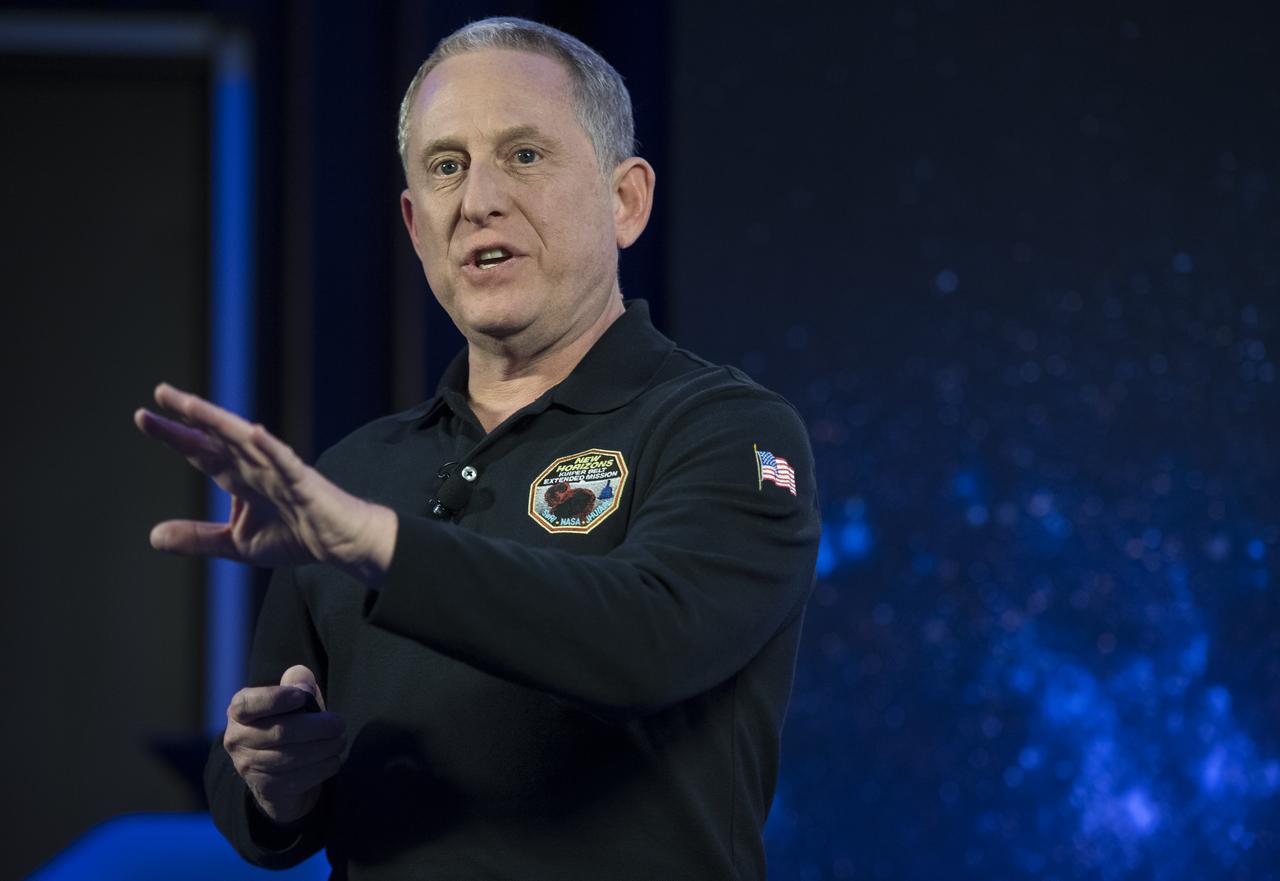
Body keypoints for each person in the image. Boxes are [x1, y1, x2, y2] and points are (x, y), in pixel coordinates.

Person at [135, 16, 820, 880]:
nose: (479, 198)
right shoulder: (353, 475)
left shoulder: (724, 429)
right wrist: (270, 780)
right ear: (418, 227)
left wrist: (381, 545)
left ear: (626, 201)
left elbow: (651, 638)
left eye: (524, 155)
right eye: (446, 166)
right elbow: (255, 803)